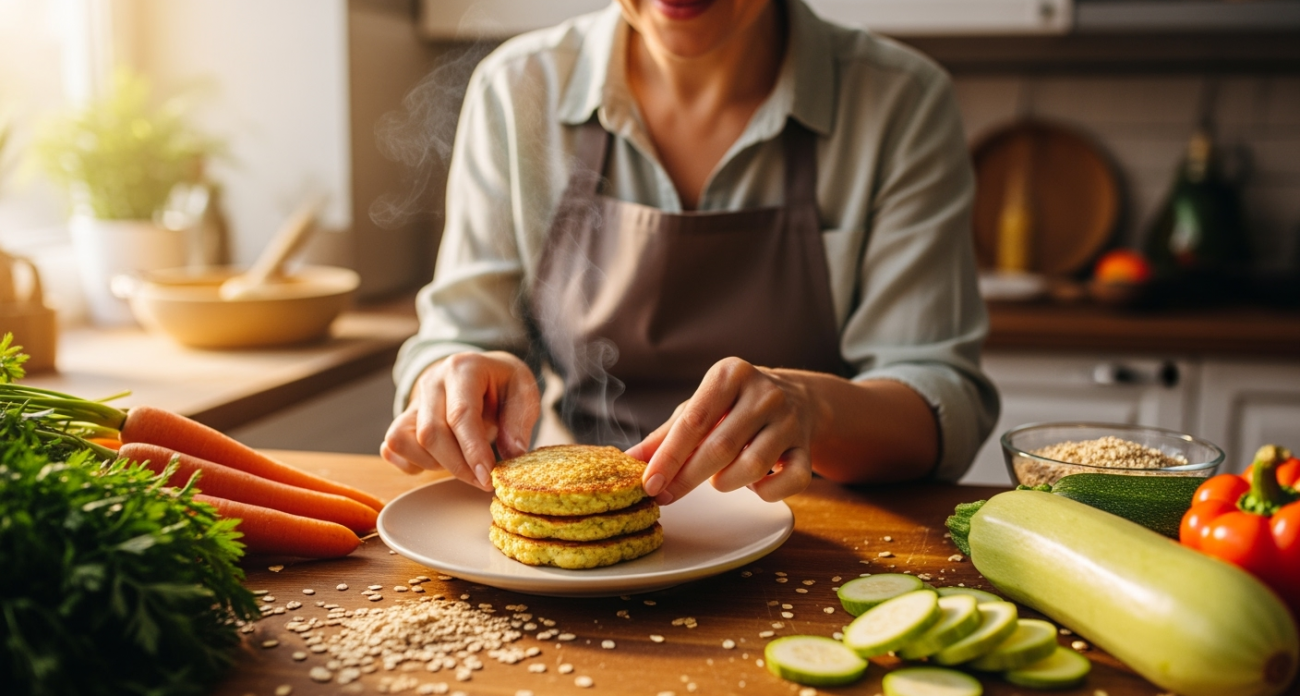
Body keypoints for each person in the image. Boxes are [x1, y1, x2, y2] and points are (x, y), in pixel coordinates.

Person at [382, 0, 999, 506]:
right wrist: (453, 381)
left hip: (816, 526)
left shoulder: (901, 102)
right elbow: (452, 341)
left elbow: (941, 399)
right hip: (568, 538)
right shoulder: (517, 88)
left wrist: (815, 410)